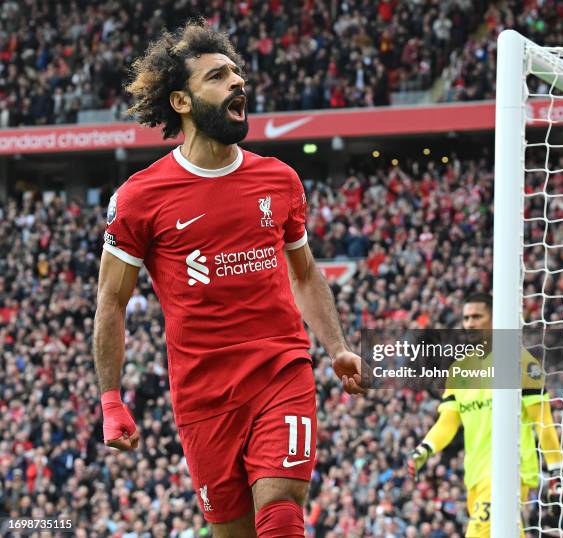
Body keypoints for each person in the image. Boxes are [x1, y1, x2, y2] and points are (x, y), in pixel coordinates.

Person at [93, 19, 366, 538]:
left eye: (238, 73)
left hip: (281, 371)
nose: (238, 82)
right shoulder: (139, 198)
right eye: (218, 76)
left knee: (282, 507)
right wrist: (111, 400)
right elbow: (111, 301)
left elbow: (305, 275)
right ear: (181, 101)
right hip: (202, 397)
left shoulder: (278, 179)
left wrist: (335, 347)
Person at [407, 292, 563, 538]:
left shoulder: (522, 363)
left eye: (477, 316)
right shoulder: (458, 370)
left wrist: (556, 472)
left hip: (510, 470)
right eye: (466, 318)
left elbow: (543, 422)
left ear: (495, 319)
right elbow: (448, 421)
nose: (470, 323)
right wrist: (425, 449)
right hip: (475, 474)